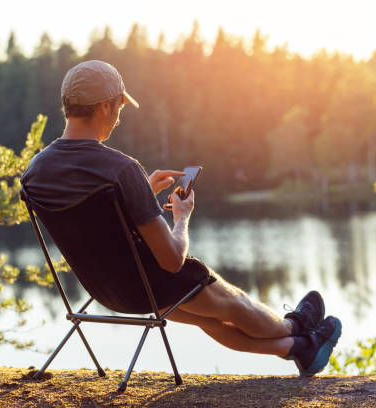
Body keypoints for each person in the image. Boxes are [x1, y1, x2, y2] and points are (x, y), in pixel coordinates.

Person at [21, 60, 341, 376]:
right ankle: (294, 325)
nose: (119, 119)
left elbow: (95, 225)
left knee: (207, 318)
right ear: (105, 106)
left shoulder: (35, 173)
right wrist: (182, 218)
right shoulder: (121, 169)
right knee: (234, 304)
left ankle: (299, 347)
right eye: (119, 106)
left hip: (106, 292)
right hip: (153, 285)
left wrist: (142, 193)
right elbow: (173, 260)